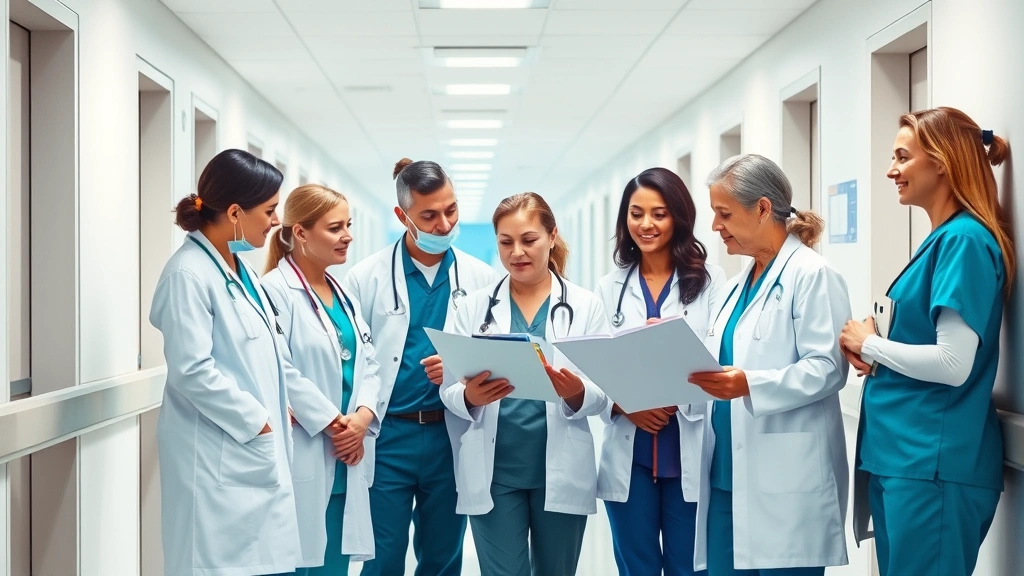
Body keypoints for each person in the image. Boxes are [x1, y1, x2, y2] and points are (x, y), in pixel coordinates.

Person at [839, 108, 1014, 576]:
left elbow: (953, 361)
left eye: (902, 156)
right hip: (905, 457)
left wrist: (871, 344)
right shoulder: (942, 239)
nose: (891, 170)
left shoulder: (964, 241)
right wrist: (878, 350)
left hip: (932, 464)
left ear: (941, 161)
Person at [688, 154, 851, 576]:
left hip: (785, 484)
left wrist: (750, 385)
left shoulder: (812, 275)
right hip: (726, 477)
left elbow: (829, 368)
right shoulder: (737, 284)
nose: (714, 226)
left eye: (724, 213)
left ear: (762, 208)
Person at [439, 192, 611, 576]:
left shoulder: (584, 306)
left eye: (528, 240)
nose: (517, 252)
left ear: (552, 237)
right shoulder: (472, 307)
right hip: (495, 473)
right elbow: (448, 390)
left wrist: (576, 392)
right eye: (506, 242)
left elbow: (603, 393)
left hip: (560, 470)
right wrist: (468, 396)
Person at [342, 159, 498, 576]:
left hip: (453, 433)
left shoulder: (482, 278)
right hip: (391, 435)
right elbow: (361, 362)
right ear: (402, 216)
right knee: (382, 557)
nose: (444, 224)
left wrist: (461, 367)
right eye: (429, 216)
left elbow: (495, 356)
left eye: (451, 210)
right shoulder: (365, 278)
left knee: (443, 557)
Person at [150, 149, 302, 576]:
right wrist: (257, 419)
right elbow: (192, 370)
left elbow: (256, 357)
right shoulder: (189, 273)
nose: (276, 222)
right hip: (219, 453)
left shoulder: (242, 271)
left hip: (247, 451)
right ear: (235, 212)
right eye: (270, 210)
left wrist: (275, 405)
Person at [596, 168, 723, 576]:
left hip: (688, 444)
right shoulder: (608, 287)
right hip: (630, 457)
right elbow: (595, 366)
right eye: (636, 213)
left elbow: (721, 360)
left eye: (659, 214)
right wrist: (623, 404)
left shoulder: (712, 282)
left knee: (691, 568)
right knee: (638, 568)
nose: (645, 224)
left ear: (679, 218)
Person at [261, 184, 382, 574]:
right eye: (335, 228)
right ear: (300, 232)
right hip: (310, 450)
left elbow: (370, 363)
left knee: (333, 565)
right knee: (300, 563)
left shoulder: (342, 291)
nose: (347, 235)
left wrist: (361, 420)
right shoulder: (274, 292)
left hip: (347, 455)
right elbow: (281, 370)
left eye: (348, 225)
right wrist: (336, 426)